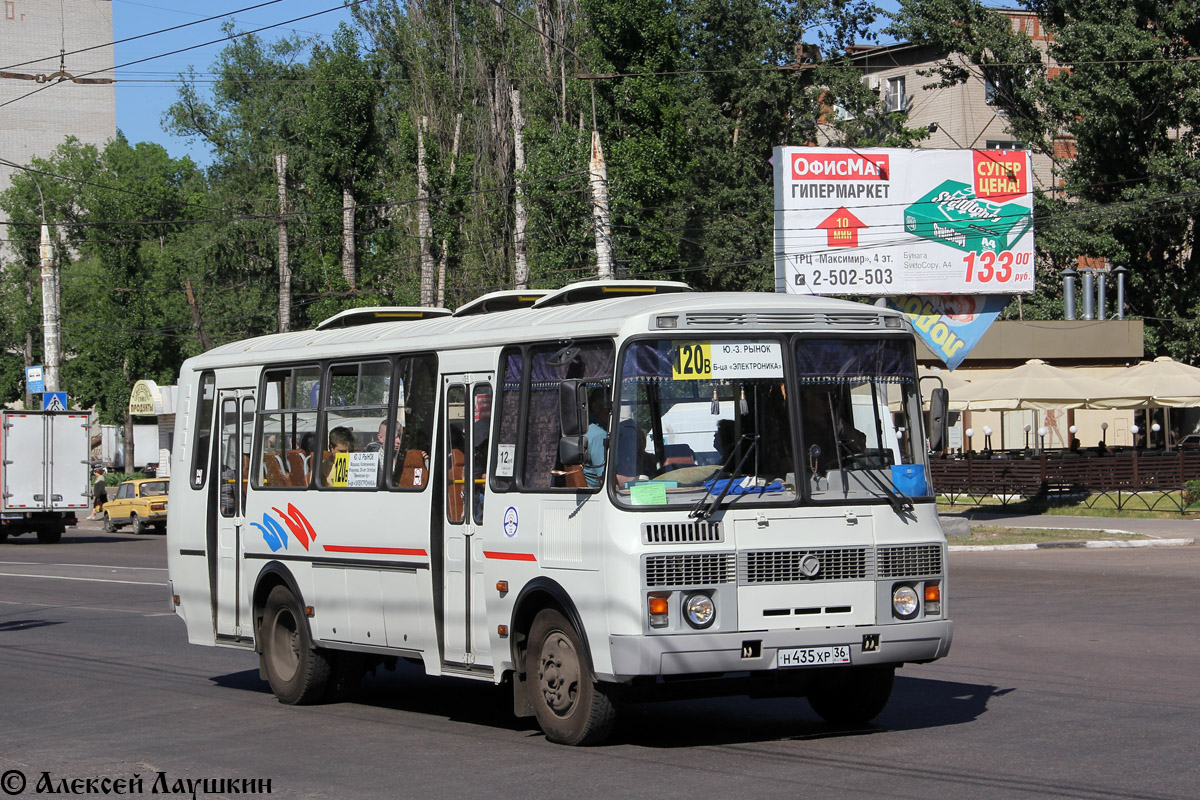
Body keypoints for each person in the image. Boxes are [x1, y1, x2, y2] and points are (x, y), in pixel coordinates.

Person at [583, 387, 611, 488]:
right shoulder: (599, 435)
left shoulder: (587, 430)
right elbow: (605, 480)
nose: (615, 412)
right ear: (596, 407)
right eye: (610, 408)